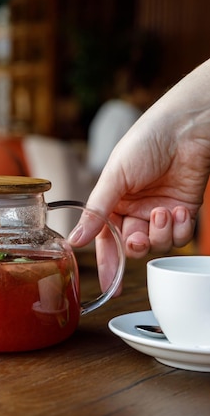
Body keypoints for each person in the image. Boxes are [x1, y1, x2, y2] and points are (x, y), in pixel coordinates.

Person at [69, 57, 210, 292]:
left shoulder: (109, 109)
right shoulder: (127, 113)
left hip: (116, 190)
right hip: (121, 191)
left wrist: (184, 125)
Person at [87, 31, 163, 176]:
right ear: (141, 88)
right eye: (155, 89)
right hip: (114, 181)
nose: (157, 95)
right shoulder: (134, 117)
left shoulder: (108, 108)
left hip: (94, 179)